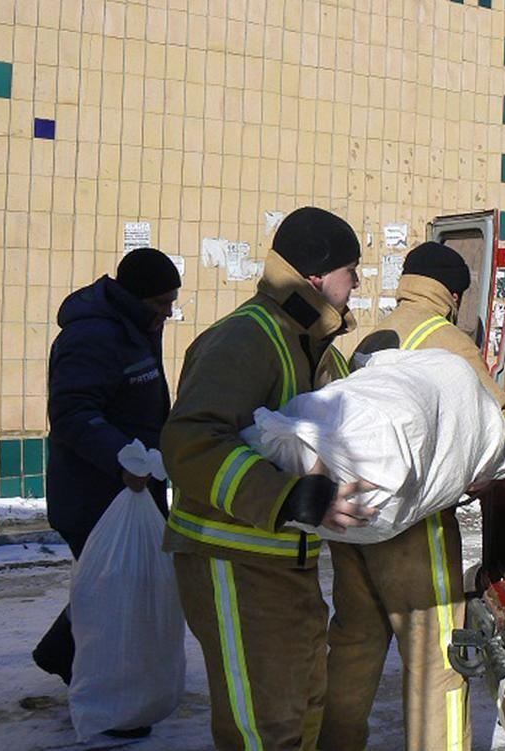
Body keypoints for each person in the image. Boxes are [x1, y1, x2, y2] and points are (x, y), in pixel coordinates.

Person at [319, 242, 505, 751]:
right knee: (436, 665)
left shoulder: (354, 338)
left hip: (351, 516)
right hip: (416, 526)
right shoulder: (445, 339)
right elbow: (503, 428)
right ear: (453, 293)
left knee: (353, 646)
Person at [161, 206, 376, 751]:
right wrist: (288, 497)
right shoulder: (244, 339)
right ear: (317, 276)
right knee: (261, 727)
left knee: (303, 706)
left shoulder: (315, 346)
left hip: (284, 563)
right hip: (231, 563)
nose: (358, 283)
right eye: (352, 270)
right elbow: (189, 442)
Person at [32, 248, 180, 729]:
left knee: (111, 587)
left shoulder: (135, 326)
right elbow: (73, 412)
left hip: (132, 486)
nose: (168, 312)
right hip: (95, 490)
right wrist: (121, 458)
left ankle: (63, 654)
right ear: (134, 297)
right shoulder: (93, 335)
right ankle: (112, 697)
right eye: (162, 302)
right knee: (116, 592)